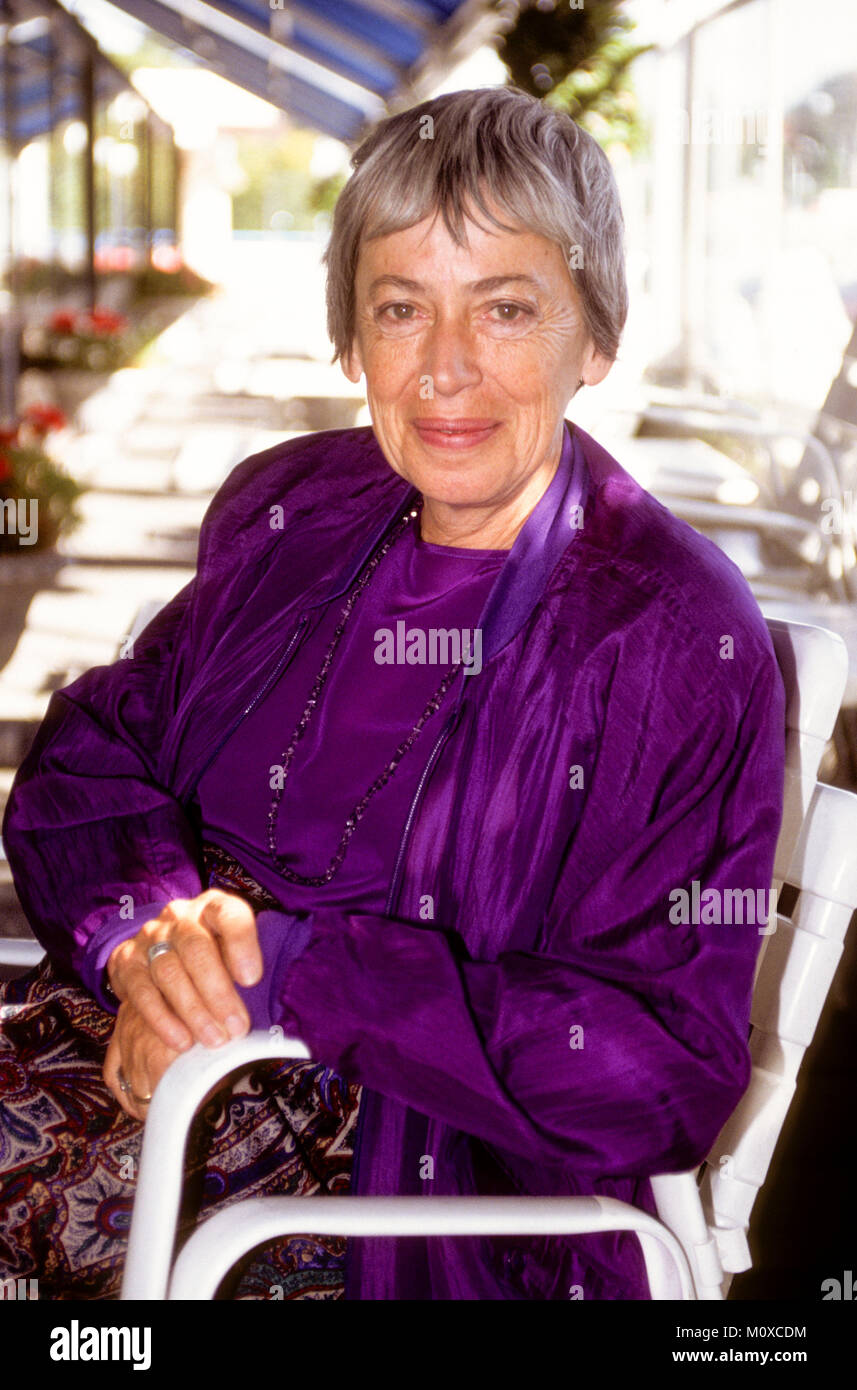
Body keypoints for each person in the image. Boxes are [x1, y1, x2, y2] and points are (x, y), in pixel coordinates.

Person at [0, 85, 785, 1301]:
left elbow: (655, 1070)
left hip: (399, 1192)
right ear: (352, 338)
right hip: (137, 1060)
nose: (446, 369)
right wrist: (150, 943)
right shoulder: (294, 510)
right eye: (400, 308)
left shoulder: (664, 639)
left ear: (596, 336)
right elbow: (100, 748)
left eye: (507, 308)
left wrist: (297, 973)